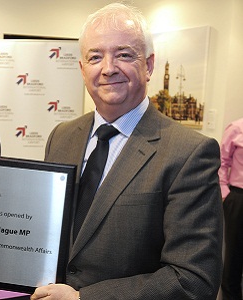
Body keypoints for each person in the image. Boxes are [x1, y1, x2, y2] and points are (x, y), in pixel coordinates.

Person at [31, 3, 223, 300]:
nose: (108, 68)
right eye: (95, 57)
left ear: (148, 64)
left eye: (123, 54)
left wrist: (84, 299)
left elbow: (193, 280)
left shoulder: (190, 153)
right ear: (82, 70)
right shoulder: (62, 137)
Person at [219, 118, 243, 300]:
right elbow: (221, 162)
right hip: (238, 198)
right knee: (234, 258)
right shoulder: (236, 128)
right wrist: (225, 194)